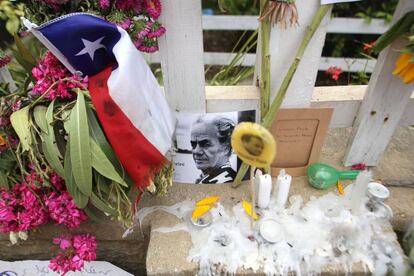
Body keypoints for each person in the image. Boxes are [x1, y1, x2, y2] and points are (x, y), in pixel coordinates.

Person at [190, 116, 236, 184]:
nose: (196, 151)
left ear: (225, 148)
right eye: (193, 145)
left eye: (205, 144)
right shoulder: (208, 179)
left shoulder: (225, 181)